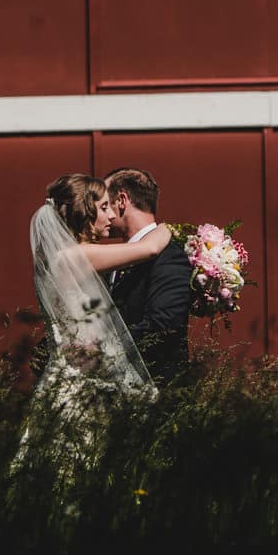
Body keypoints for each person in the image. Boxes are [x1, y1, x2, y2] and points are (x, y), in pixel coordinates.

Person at [18, 174, 169, 469]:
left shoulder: (65, 255)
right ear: (84, 212)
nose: (111, 214)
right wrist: (170, 230)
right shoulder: (72, 256)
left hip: (83, 376)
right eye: (103, 207)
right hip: (78, 385)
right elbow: (148, 249)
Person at [104, 167, 192, 390]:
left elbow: (163, 325)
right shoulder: (112, 258)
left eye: (105, 205)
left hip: (156, 391)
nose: (101, 213)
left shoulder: (169, 256)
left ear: (122, 200)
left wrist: (101, 353)